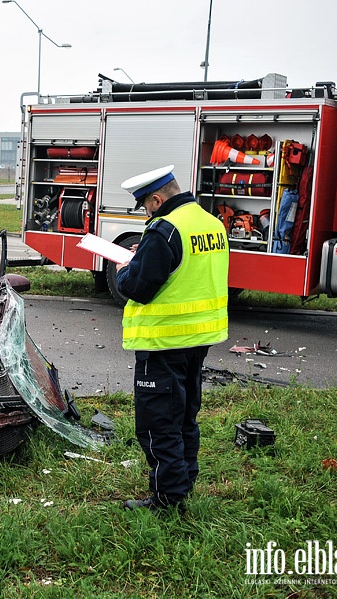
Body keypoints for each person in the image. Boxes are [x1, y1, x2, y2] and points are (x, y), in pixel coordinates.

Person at [115, 165, 229, 513]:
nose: (147, 214)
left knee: (158, 425)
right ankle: (183, 483)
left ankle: (167, 500)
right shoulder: (211, 223)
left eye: (146, 206)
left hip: (163, 343)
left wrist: (123, 273)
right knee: (183, 420)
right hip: (198, 339)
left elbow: (139, 287)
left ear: (157, 198)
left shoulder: (165, 230)